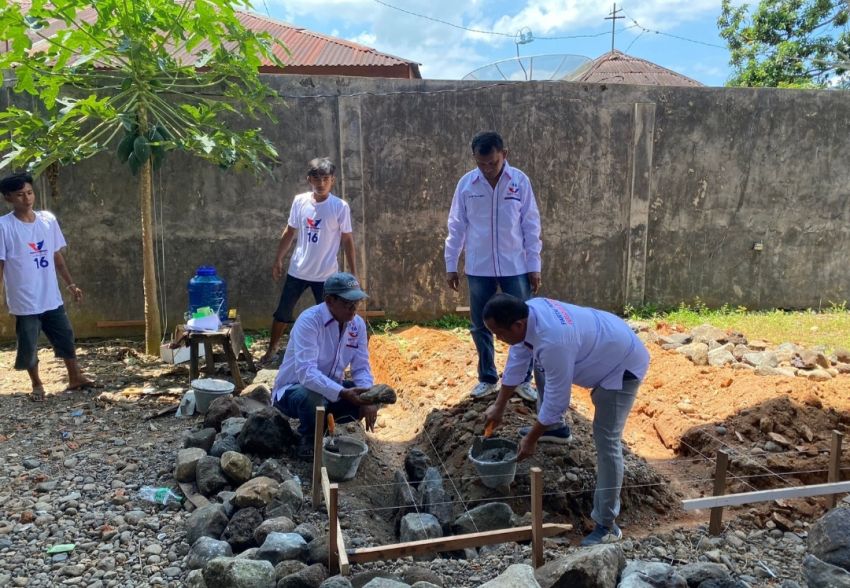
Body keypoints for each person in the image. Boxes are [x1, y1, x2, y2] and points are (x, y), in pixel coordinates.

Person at [481, 293, 649, 546]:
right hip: (603, 339)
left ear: (518, 325)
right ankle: (556, 429)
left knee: (607, 441)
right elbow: (518, 357)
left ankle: (606, 525)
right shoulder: (530, 313)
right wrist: (499, 406)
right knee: (540, 362)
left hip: (620, 366)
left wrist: (531, 438)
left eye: (499, 333)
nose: (498, 339)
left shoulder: (553, 341)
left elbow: (558, 401)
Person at [444, 131, 542, 401]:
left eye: (493, 163)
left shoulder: (520, 182)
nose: (487, 169)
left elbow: (531, 225)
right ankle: (487, 377)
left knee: (524, 322)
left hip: (516, 266)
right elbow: (456, 226)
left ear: (504, 155)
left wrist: (534, 265)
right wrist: (451, 264)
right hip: (479, 267)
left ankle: (523, 379)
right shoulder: (467, 185)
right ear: (474, 159)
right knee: (480, 324)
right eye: (481, 163)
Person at [0, 172, 93, 401]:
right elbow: (1, 264)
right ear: (8, 198)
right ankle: (37, 384)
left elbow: (56, 256)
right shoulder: (4, 226)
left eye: (30, 193)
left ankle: (75, 377)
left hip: (51, 296)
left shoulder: (48, 220)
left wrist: (70, 284)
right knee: (29, 343)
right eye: (20, 194)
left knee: (65, 336)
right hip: (25, 299)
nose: (27, 198)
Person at [271, 272, 380, 459]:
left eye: (357, 302)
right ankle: (308, 438)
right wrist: (343, 392)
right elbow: (307, 373)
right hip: (295, 391)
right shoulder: (309, 321)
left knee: (377, 394)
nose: (354, 308)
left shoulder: (357, 325)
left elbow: (361, 367)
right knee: (312, 396)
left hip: (332, 392)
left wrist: (369, 398)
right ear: (330, 300)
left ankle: (325, 424)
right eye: (348, 303)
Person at [260, 157, 357, 366]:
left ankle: (332, 358)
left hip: (326, 275)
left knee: (330, 317)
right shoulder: (300, 201)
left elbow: (347, 240)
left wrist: (353, 273)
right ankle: (272, 350)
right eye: (316, 178)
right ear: (308, 179)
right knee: (283, 312)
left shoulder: (340, 206)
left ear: (333, 180)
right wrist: (278, 259)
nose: (320, 183)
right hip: (298, 270)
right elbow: (290, 231)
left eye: (325, 178)